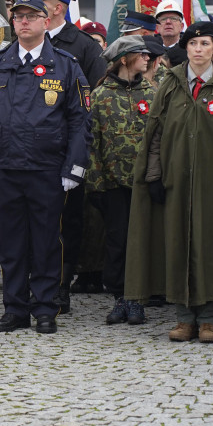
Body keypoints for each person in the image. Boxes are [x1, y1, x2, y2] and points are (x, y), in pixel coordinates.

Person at [124, 22, 213, 344]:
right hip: (176, 184)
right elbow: (156, 136)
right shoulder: (170, 86)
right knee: (177, 246)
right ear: (186, 48)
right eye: (194, 44)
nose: (199, 49)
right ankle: (184, 318)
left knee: (212, 249)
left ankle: (209, 319)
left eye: (205, 43)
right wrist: (154, 176)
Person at [0, 0, 91, 335]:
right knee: (10, 243)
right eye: (19, 16)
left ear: (47, 22)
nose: (24, 22)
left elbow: (80, 121)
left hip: (47, 170)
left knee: (47, 242)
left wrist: (74, 167)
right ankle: (15, 308)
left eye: (32, 17)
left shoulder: (66, 65)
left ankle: (46, 308)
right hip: (5, 168)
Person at [32, 0, 104, 313]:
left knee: (65, 220)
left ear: (57, 8)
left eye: (40, 3)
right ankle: (33, 283)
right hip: (27, 148)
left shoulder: (84, 46)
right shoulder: (23, 41)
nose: (30, 10)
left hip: (64, 148)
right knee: (30, 218)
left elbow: (95, 98)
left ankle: (61, 284)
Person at [85, 36, 153, 326]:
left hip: (145, 183)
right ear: (124, 59)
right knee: (117, 239)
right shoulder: (101, 95)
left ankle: (138, 298)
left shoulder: (151, 93)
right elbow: (92, 142)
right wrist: (96, 181)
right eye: (141, 54)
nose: (148, 58)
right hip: (113, 184)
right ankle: (119, 296)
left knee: (142, 241)